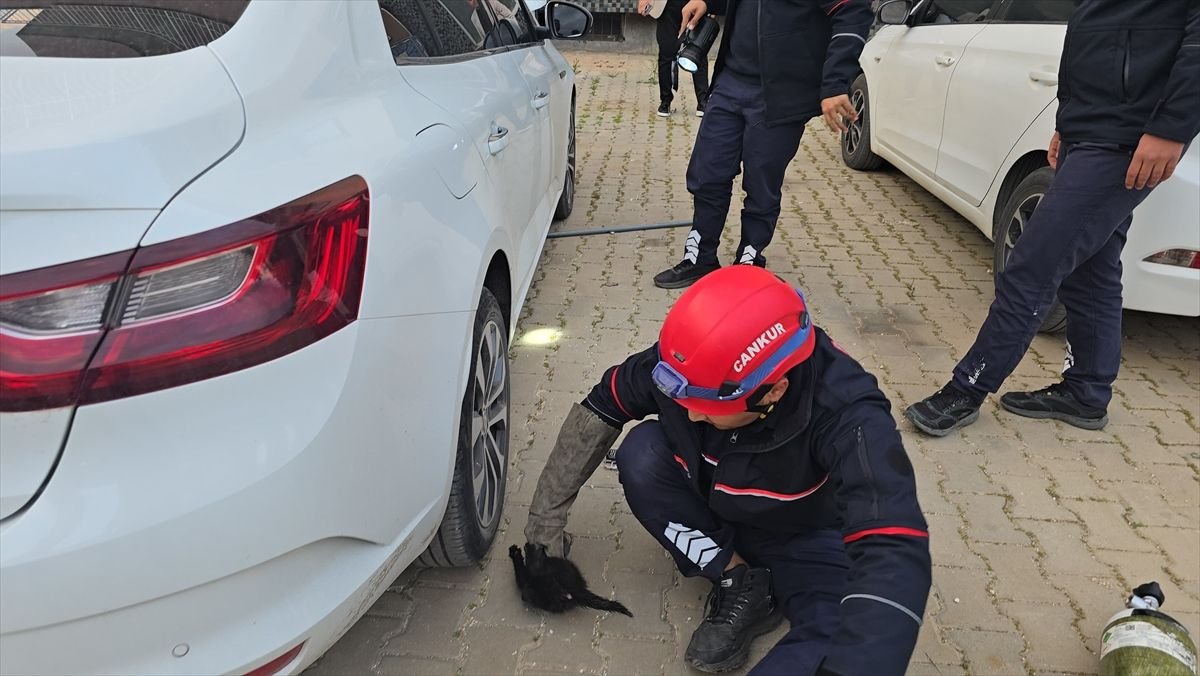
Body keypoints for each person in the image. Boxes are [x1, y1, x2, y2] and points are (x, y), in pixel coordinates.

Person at [521, 266, 932, 674]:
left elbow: (892, 545)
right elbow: (599, 410)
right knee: (642, 452)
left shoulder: (848, 411)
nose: (691, 414)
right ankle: (738, 578)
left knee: (843, 629)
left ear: (773, 391)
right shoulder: (686, 366)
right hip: (712, 508)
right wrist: (543, 531)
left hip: (804, 535)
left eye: (710, 406)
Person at [904, 0, 1200, 437]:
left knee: (1032, 265)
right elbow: (1089, 41)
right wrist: (1067, 122)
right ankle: (1086, 393)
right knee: (1092, 269)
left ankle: (966, 389)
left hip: (1128, 137)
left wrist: (1171, 129)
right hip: (1089, 129)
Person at [652, 0, 872, 289]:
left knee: (761, 182)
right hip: (730, 81)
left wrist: (834, 83)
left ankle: (750, 259)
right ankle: (701, 257)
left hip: (783, 92)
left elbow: (853, 13)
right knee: (707, 173)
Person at [639, 0, 710, 118]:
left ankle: (703, 101)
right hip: (667, 5)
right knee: (666, 51)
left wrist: (709, 4)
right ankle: (665, 101)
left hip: (694, 2)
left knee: (698, 52)